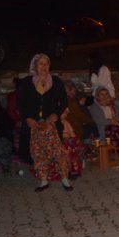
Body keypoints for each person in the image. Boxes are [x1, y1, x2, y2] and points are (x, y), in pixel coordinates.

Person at [17, 53, 73, 192]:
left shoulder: (56, 81)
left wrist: (56, 113)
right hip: (34, 123)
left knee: (58, 150)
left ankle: (64, 178)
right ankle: (43, 180)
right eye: (40, 64)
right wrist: (27, 118)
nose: (44, 66)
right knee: (38, 152)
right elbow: (20, 104)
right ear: (35, 65)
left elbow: (64, 101)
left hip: (50, 122)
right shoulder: (27, 82)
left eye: (46, 63)